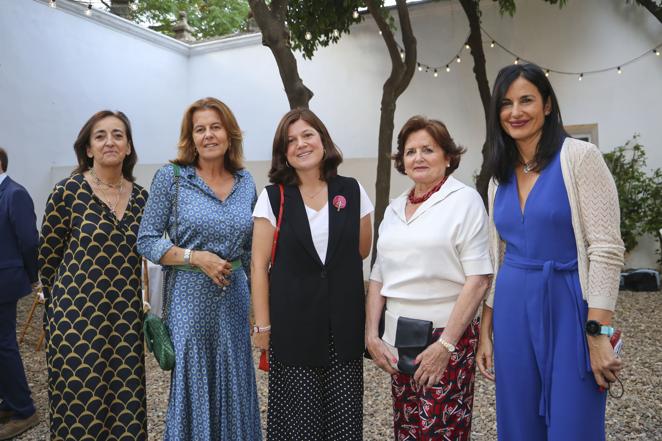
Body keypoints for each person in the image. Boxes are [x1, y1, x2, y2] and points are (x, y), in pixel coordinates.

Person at [476, 63, 625, 441]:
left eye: (526, 100)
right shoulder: (498, 176)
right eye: (506, 103)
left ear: (546, 105)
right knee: (519, 422)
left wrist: (598, 333)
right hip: (511, 310)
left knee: (574, 424)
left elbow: (606, 250)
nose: (515, 112)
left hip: (568, 305)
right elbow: (499, 257)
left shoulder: (579, 158)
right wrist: (485, 331)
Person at [137, 97, 261, 440]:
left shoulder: (245, 182)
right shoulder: (172, 178)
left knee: (235, 377)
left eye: (215, 127)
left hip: (234, 297)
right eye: (200, 129)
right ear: (190, 138)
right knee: (194, 380)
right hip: (189, 300)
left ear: (229, 133)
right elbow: (146, 240)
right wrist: (195, 257)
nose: (208, 135)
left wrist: (257, 306)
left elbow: (252, 250)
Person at [365, 116, 492, 441]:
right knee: (407, 430)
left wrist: (445, 345)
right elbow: (379, 275)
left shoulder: (464, 201)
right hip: (399, 338)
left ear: (448, 157)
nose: (418, 157)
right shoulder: (393, 209)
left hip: (446, 337)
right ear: (402, 161)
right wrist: (371, 336)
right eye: (410, 151)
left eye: (428, 149)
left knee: (441, 431)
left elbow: (478, 278)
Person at [251, 108, 373, 440]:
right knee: (299, 425)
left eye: (308, 135)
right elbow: (259, 265)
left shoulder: (351, 191)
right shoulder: (273, 198)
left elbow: (361, 250)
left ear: (322, 139)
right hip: (293, 328)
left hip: (343, 326)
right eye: (290, 141)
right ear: (283, 153)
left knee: (344, 423)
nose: (301, 144)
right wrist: (262, 326)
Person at [38, 111, 148, 440]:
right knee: (79, 404)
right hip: (75, 321)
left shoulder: (143, 199)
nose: (109, 142)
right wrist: (59, 309)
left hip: (125, 321)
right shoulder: (67, 192)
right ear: (88, 149)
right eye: (100, 136)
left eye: (118, 135)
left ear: (128, 147)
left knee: (125, 403)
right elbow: (48, 258)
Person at [0, 147, 40, 440]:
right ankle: (10, 401)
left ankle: (24, 410)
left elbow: (29, 240)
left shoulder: (15, 194)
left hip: (5, 280)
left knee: (4, 345)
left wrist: (33, 276)